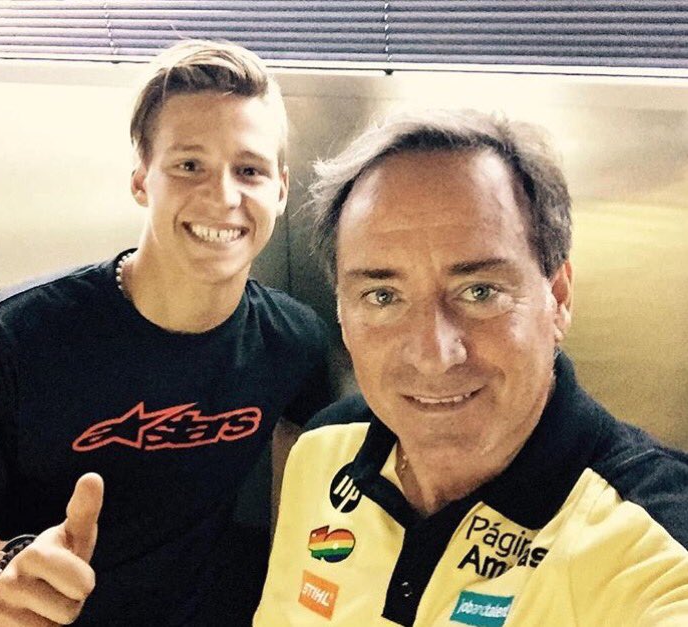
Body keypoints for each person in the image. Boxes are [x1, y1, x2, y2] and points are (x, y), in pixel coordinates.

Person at [0, 39, 331, 626]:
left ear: (279, 188)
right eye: (189, 165)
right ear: (142, 180)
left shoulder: (294, 342)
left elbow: (300, 516)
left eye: (249, 170)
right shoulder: (20, 333)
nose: (224, 196)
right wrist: (7, 579)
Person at [254, 109, 688, 626]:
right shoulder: (323, 452)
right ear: (342, 316)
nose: (434, 355)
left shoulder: (653, 542)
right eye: (383, 296)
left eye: (480, 292)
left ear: (558, 297)